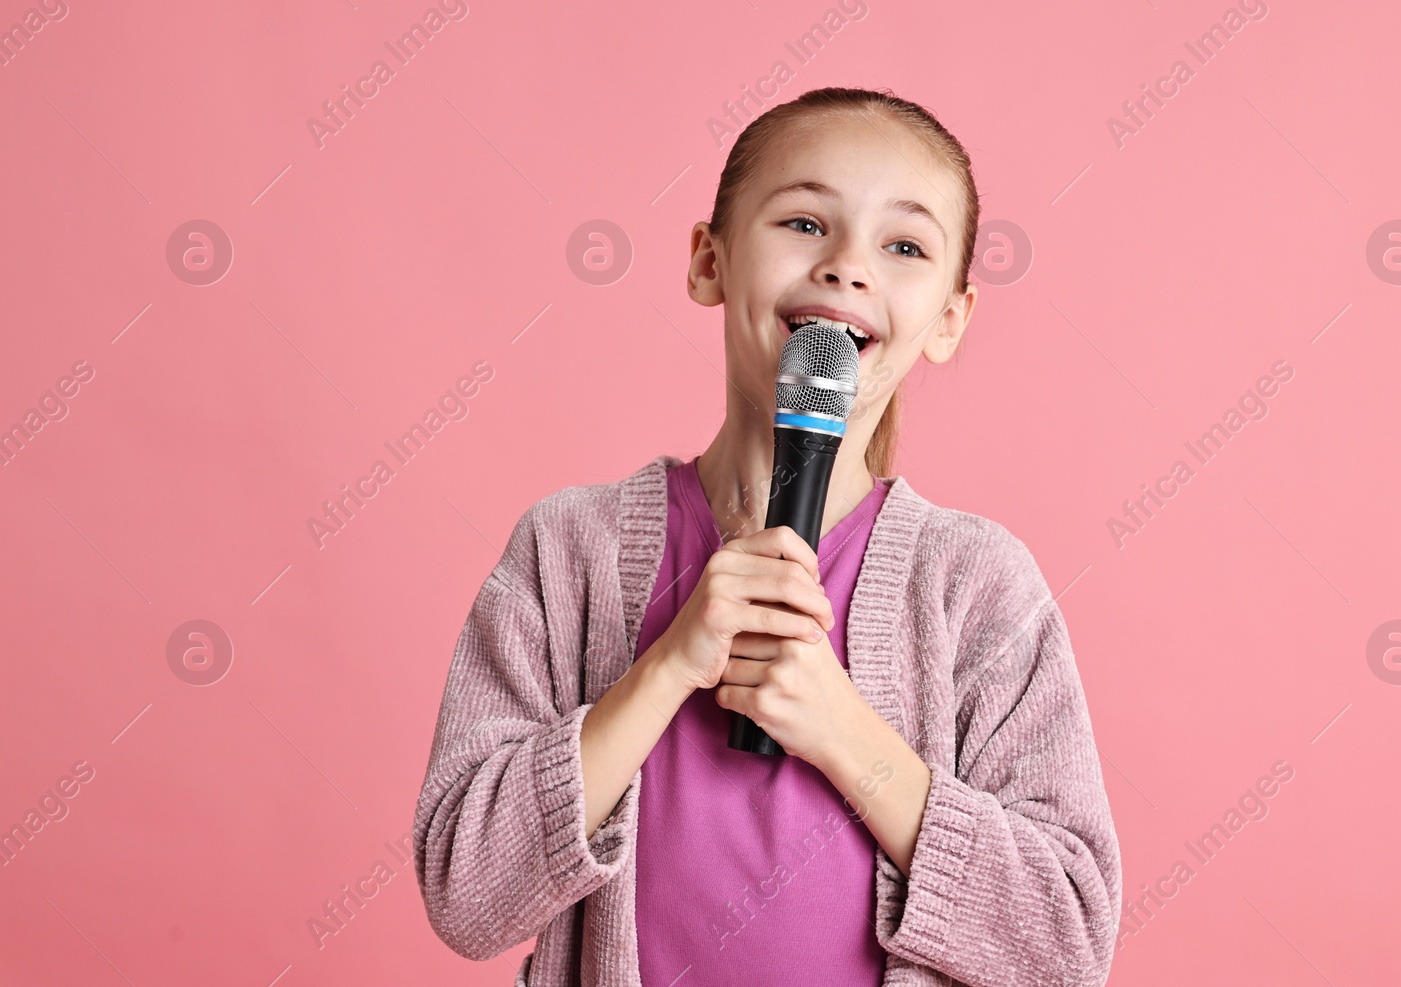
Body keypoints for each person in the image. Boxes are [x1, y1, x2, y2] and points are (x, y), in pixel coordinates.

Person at [413, 86, 1122, 986]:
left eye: (903, 246)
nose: (847, 268)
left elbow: (1065, 945)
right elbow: (466, 896)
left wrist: (843, 731)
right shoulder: (568, 550)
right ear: (710, 261)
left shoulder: (978, 583)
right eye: (803, 222)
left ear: (950, 317)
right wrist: (667, 664)